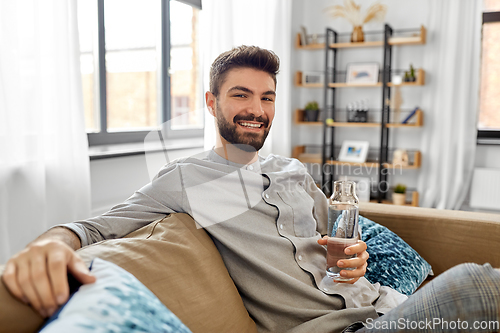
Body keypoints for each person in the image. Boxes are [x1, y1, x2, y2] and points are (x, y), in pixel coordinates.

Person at [2, 46, 499, 333]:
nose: (255, 109)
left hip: (382, 305)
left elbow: (339, 242)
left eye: (266, 97)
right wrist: (46, 244)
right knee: (479, 284)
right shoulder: (184, 180)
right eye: (240, 94)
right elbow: (91, 226)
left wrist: (356, 256)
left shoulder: (294, 171)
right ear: (211, 101)